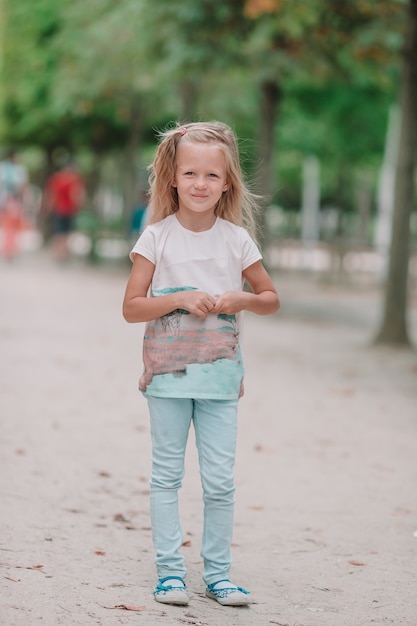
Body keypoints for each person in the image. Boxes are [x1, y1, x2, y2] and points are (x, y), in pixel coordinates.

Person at [122, 122, 280, 607]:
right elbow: (131, 307)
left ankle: (218, 575)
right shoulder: (157, 238)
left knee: (220, 480)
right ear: (172, 176)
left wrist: (242, 299)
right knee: (167, 475)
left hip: (219, 379)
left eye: (212, 175)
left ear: (227, 182)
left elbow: (271, 298)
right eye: (189, 172)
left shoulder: (237, 240)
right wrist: (179, 300)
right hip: (168, 379)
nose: (199, 184)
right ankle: (170, 573)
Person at [45, 158, 85, 262]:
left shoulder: (56, 178)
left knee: (58, 231)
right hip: (69, 209)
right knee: (65, 232)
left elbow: (52, 194)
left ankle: (58, 253)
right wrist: (78, 205)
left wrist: (49, 208)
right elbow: (75, 194)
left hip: (58, 209)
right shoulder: (74, 179)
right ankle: (63, 254)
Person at [0, 150, 29, 259]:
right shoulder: (4, 168)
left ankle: (11, 248)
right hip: (6, 200)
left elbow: (23, 185)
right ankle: (8, 248)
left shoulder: (19, 169)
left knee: (13, 226)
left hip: (14, 201)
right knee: (7, 226)